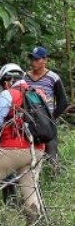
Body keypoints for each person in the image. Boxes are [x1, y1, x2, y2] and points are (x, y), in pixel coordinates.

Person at [0, 64, 45, 226]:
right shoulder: (37, 93)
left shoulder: (9, 94)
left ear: (7, 81)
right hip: (37, 148)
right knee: (29, 189)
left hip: (14, 148)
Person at [24, 46, 68, 175]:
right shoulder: (24, 77)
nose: (34, 62)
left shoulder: (53, 77)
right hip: (29, 121)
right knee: (28, 152)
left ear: (45, 60)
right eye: (32, 59)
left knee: (51, 153)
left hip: (46, 121)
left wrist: (51, 118)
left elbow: (63, 102)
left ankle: (54, 178)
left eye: (37, 59)